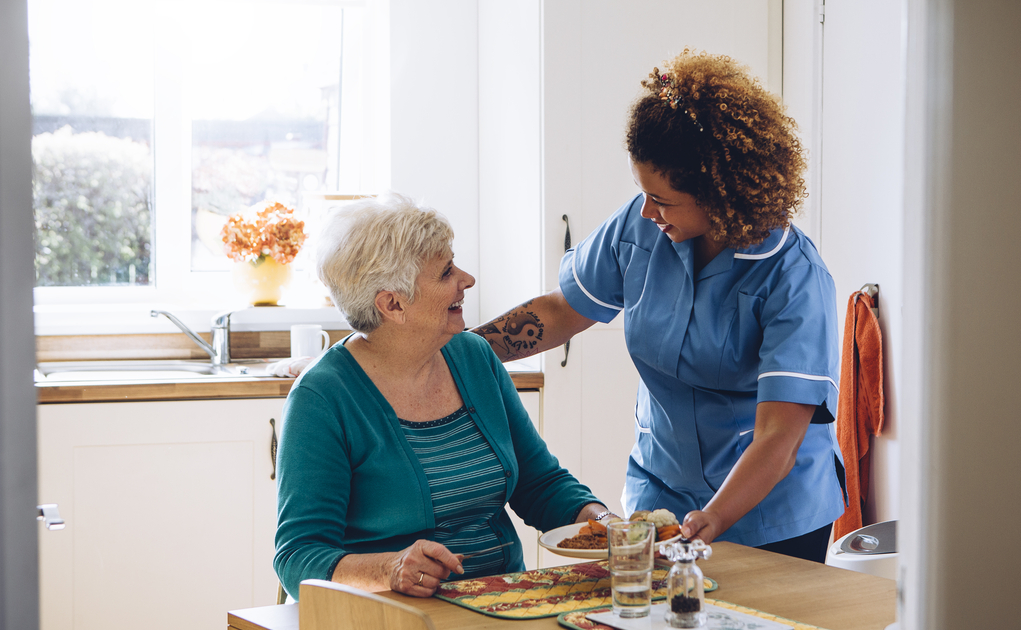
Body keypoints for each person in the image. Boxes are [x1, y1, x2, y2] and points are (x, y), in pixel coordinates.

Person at [473, 50, 846, 562]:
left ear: (720, 192)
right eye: (641, 192)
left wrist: (715, 517)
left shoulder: (793, 276)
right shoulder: (642, 224)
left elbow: (780, 434)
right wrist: (461, 353)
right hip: (662, 494)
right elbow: (562, 311)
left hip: (769, 512)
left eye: (664, 200)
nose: (647, 211)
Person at [273, 192, 608, 600]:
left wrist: (602, 521)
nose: (466, 279)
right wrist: (391, 568)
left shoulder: (474, 357)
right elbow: (298, 556)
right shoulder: (322, 397)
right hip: (390, 617)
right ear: (393, 304)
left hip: (500, 602)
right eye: (446, 272)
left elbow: (539, 484)